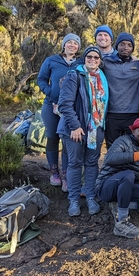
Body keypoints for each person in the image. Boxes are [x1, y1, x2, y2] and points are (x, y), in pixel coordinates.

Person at [57, 46, 109, 217]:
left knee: (92, 163)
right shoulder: (74, 75)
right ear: (84, 58)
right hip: (75, 129)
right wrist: (74, 126)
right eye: (89, 57)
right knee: (74, 163)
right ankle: (73, 200)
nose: (92, 60)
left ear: (100, 61)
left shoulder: (101, 77)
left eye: (96, 57)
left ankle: (91, 197)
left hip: (95, 127)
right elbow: (65, 103)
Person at [37, 33, 81, 191]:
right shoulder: (51, 61)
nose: (72, 45)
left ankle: (66, 175)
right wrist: (51, 93)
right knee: (52, 137)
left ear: (78, 47)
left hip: (69, 108)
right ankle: (54, 172)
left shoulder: (81, 63)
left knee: (67, 139)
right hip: (51, 105)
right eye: (69, 42)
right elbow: (41, 79)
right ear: (64, 45)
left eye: (75, 43)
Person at [101, 32, 139, 148]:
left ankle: (129, 167)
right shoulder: (106, 62)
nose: (125, 48)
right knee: (112, 148)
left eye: (129, 45)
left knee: (131, 147)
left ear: (133, 48)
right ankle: (112, 167)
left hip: (132, 114)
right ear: (116, 46)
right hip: (112, 113)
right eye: (122, 44)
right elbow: (89, 63)